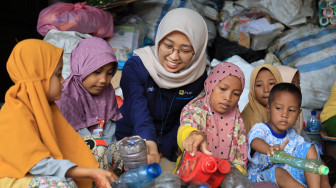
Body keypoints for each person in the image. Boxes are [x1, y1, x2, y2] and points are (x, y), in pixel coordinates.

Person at [0, 39, 116, 188]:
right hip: (11, 177)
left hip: (33, 173)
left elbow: (70, 149)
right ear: (39, 78)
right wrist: (90, 172)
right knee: (60, 185)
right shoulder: (14, 113)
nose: (63, 81)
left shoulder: (47, 108)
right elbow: (36, 164)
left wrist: (94, 169)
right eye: (58, 74)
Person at [115, 8, 208, 167]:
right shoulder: (136, 67)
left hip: (169, 147)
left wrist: (161, 151)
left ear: (197, 51)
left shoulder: (198, 77)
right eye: (168, 45)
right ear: (159, 40)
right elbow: (138, 111)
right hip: (130, 141)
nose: (174, 56)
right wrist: (150, 144)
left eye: (185, 50)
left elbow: (185, 118)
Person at [247, 83, 328, 188]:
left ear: (298, 114)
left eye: (291, 110)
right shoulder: (261, 128)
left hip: (288, 176)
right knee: (278, 171)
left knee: (310, 148)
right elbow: (255, 141)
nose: (284, 114)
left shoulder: (292, 134)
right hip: (259, 176)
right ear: (268, 108)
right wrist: (270, 149)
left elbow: (310, 154)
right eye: (279, 108)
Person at [177, 62, 248, 170]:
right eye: (223, 89)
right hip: (193, 173)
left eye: (236, 94)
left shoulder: (237, 121)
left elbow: (240, 161)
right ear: (211, 85)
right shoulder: (196, 109)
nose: (228, 97)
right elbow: (186, 127)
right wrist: (193, 134)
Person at [241, 64, 282, 133]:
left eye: (271, 83)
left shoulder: (282, 109)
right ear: (252, 89)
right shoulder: (253, 118)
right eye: (259, 85)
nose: (266, 90)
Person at [277, 65, 304, 135]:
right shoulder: (274, 111)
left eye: (298, 83)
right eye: (292, 84)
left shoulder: (298, 110)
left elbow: (300, 136)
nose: (297, 87)